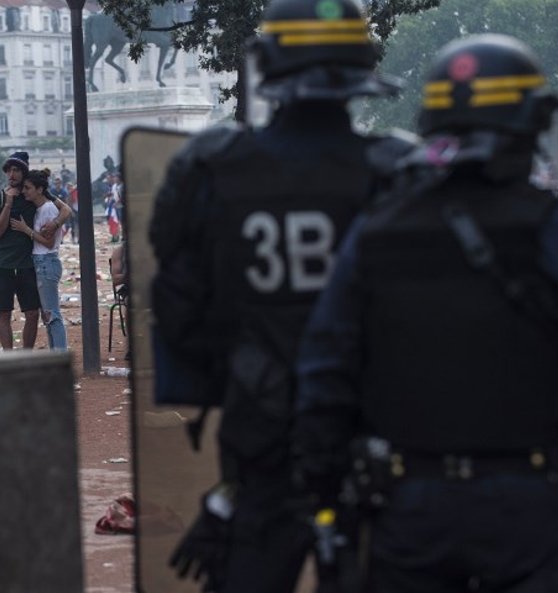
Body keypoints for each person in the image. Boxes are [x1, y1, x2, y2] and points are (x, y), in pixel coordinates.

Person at [293, 34, 558, 593]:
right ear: (529, 128)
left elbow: (325, 369)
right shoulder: (552, 231)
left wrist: (325, 493)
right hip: (530, 498)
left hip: (409, 503)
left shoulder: (377, 233)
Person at [150, 0, 408, 591]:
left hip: (259, 436)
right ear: (363, 65)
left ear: (267, 64)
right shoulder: (399, 173)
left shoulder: (210, 170)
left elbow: (178, 310)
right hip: (378, 434)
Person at [0, 151, 72, 350]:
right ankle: (9, 357)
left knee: (32, 313)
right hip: (2, 265)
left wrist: (56, 223)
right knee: (4, 314)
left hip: (28, 265)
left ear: (24, 173)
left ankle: (27, 357)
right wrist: (8, 203)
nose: (12, 175)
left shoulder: (32, 193)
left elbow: (65, 210)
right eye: (9, 170)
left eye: (16, 170)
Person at [9, 169, 68, 350]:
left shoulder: (48, 209)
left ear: (39, 189)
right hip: (43, 263)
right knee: (48, 315)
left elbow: (48, 243)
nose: (25, 191)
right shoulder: (43, 208)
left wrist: (26, 229)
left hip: (46, 262)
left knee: (52, 314)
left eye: (28, 188)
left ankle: (59, 354)